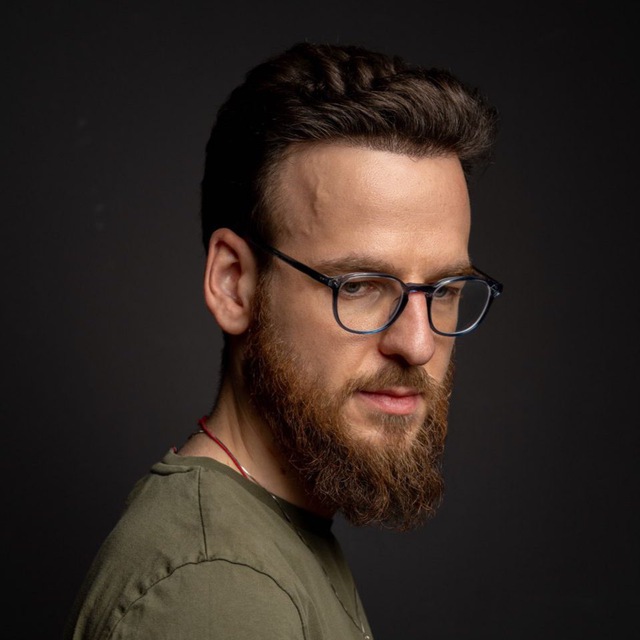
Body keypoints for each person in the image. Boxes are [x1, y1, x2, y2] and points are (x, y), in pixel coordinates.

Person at [63, 41, 502, 640]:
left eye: (446, 289)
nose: (418, 344)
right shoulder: (215, 587)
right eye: (359, 286)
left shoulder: (269, 540)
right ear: (234, 284)